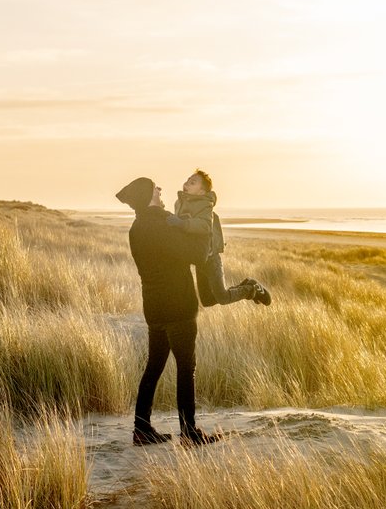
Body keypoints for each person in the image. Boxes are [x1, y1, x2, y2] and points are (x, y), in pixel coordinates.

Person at [115, 176, 221, 447]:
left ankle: (142, 429)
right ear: (148, 196)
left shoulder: (136, 227)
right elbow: (197, 255)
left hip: (154, 308)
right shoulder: (161, 223)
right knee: (186, 368)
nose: (160, 190)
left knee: (154, 366)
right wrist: (207, 226)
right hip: (178, 305)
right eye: (155, 188)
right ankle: (189, 433)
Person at [173, 170, 271, 308]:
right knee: (207, 301)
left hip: (211, 258)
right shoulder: (179, 203)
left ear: (201, 192)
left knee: (223, 298)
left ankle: (252, 288)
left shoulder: (205, 204)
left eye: (192, 182)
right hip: (199, 258)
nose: (187, 184)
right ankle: (247, 285)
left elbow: (205, 225)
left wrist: (182, 223)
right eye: (187, 180)